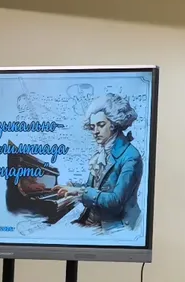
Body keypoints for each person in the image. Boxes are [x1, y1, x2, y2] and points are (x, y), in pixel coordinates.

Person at [57, 93, 143, 230]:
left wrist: (80, 192)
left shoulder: (130, 156)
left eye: (101, 125)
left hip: (114, 226)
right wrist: (72, 188)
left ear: (113, 124)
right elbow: (95, 187)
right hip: (93, 220)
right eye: (92, 127)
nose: (95, 131)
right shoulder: (101, 152)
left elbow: (115, 201)